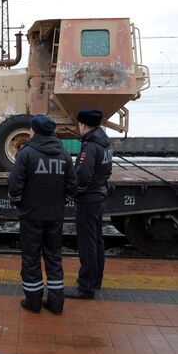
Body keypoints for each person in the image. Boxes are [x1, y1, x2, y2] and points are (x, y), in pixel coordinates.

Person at [8, 115, 76, 314]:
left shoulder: (26, 153)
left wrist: (19, 202)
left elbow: (15, 185)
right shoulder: (64, 154)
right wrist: (62, 202)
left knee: (31, 258)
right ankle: (56, 303)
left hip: (31, 215)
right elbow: (72, 185)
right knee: (54, 257)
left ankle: (33, 301)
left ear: (34, 131)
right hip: (55, 216)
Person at [65, 110, 113, 300]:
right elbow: (107, 171)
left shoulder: (90, 147)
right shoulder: (106, 144)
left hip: (88, 201)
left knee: (87, 245)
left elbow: (83, 176)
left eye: (79, 124)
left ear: (83, 125)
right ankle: (96, 280)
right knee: (97, 241)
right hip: (99, 197)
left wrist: (76, 192)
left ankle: (86, 287)